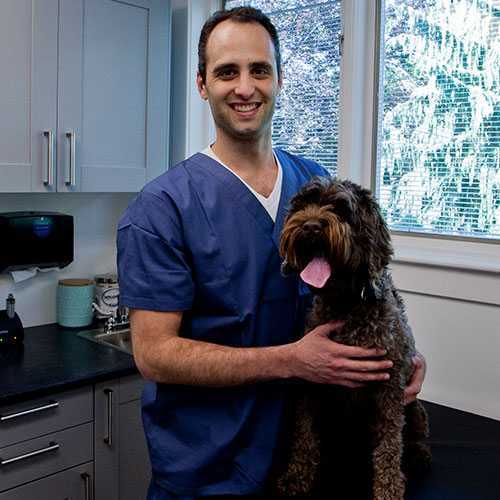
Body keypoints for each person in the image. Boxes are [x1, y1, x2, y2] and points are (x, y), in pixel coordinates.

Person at [116, 6, 426, 500]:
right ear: (202, 84)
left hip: (312, 461)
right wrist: (293, 361)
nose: (245, 87)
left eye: (260, 69)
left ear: (280, 80)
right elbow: (154, 354)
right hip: (210, 467)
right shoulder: (160, 209)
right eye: (226, 72)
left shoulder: (313, 186)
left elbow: (364, 287)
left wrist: (399, 353)